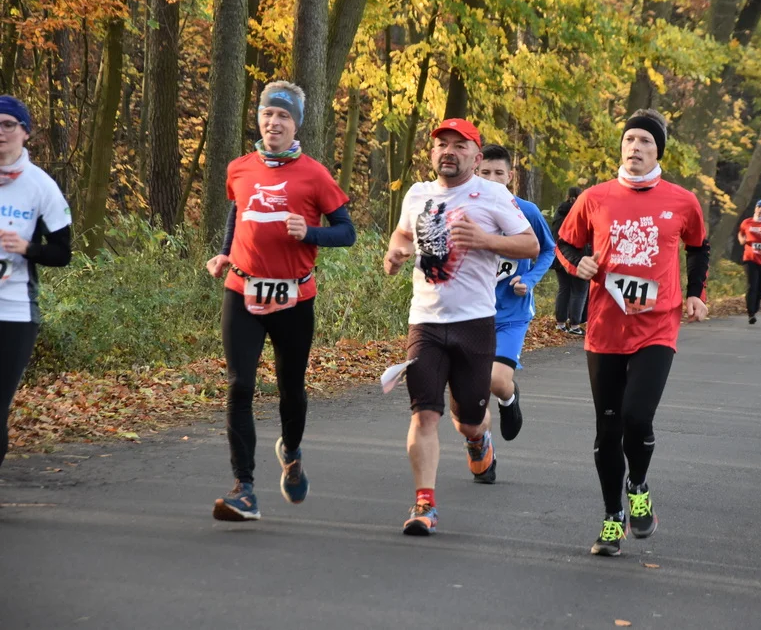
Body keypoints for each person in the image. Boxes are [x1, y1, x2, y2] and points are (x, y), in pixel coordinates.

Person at [556, 109, 709, 556]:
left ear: (658, 150)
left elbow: (698, 247)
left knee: (637, 417)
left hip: (657, 325)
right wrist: (576, 263)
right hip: (605, 327)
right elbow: (565, 243)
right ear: (621, 148)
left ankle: (638, 486)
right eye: (629, 140)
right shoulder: (595, 197)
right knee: (607, 431)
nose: (635, 147)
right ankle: (612, 518)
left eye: (645, 141)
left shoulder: (682, 201)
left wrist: (696, 293)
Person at [205, 81, 356, 521]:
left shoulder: (315, 174)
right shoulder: (239, 167)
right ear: (258, 118)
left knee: (290, 389)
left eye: (283, 116)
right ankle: (244, 488)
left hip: (294, 296)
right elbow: (238, 211)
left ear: (296, 125)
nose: (274, 122)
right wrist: (225, 252)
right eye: (268, 114)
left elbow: (347, 232)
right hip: (243, 289)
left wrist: (309, 233)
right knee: (240, 386)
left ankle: (291, 452)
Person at [384, 118, 538, 536]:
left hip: (475, 323)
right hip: (426, 322)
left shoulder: (493, 195)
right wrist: (396, 253)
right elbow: (401, 235)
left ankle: (477, 440)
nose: (448, 151)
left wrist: (486, 241)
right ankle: (424, 504)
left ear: (476, 154)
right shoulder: (417, 195)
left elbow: (530, 245)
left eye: (459, 145)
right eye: (441, 144)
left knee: (468, 418)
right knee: (424, 415)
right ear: (431, 153)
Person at [0, 96, 72, 470]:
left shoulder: (41, 186)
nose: (1, 133)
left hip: (14, 310)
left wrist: (27, 247)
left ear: (25, 133)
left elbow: (63, 252)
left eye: (9, 125)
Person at [477, 144, 556, 442]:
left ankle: (509, 399)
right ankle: (480, 449)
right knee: (472, 389)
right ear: (475, 172)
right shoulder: (467, 210)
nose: (493, 179)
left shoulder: (526, 211)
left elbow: (548, 249)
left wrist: (531, 278)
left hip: (512, 313)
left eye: (499, 173)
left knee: (497, 381)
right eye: (486, 173)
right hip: (474, 312)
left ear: (510, 176)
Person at [551, 187, 588, 335]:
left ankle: (560, 323)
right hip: (576, 257)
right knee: (579, 290)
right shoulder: (578, 213)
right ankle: (574, 325)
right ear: (575, 198)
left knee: (564, 289)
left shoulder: (559, 213)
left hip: (559, 256)